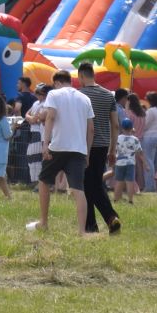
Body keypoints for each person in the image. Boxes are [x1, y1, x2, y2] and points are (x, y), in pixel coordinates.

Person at [31, 71, 92, 235]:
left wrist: (46, 143)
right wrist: (87, 153)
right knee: (78, 189)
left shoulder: (54, 94)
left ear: (56, 82)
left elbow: (50, 117)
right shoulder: (85, 98)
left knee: (44, 181)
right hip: (78, 149)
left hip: (58, 146)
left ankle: (44, 222)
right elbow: (91, 129)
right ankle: (81, 231)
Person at [74, 64, 122, 234]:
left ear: (81, 76)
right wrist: (112, 149)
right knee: (93, 184)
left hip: (84, 145)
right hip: (102, 145)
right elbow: (115, 124)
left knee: (88, 185)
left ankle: (104, 219)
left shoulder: (79, 95)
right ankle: (98, 222)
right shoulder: (108, 95)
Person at [111, 116, 142, 204]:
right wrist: (145, 163)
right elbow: (139, 152)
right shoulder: (135, 139)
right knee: (130, 181)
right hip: (130, 163)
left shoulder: (118, 138)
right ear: (132, 128)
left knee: (119, 181)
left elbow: (114, 149)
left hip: (119, 163)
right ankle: (130, 200)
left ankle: (116, 199)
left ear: (122, 127)